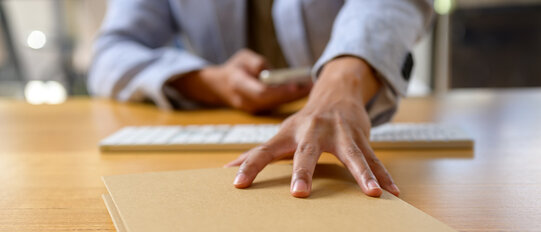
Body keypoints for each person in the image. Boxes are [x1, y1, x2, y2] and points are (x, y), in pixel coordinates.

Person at [89, 0, 434, 198]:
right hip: (226, 127)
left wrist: (342, 82)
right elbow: (111, 52)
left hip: (352, 116)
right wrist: (211, 82)